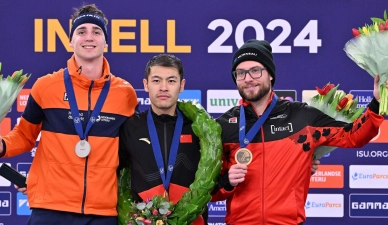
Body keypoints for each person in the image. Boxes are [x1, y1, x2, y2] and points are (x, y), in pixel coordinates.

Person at [0, 4, 137, 225]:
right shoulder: (46, 86)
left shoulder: (125, 94)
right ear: (70, 41)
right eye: (81, 31)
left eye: (97, 32)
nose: (89, 37)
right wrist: (2, 146)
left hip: (101, 213)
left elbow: (133, 152)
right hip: (50, 209)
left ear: (106, 42)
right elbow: (25, 135)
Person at [211, 39, 386, 225]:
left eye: (255, 70)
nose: (248, 78)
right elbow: (209, 192)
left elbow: (353, 136)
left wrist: (375, 103)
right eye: (240, 73)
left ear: (270, 74)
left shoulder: (301, 117)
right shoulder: (225, 125)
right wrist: (227, 182)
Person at [118, 54, 207, 224]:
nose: (164, 87)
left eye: (171, 81)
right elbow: (115, 175)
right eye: (157, 80)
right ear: (146, 85)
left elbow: (213, 179)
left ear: (182, 85)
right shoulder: (130, 127)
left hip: (192, 220)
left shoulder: (198, 127)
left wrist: (228, 182)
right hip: (142, 220)